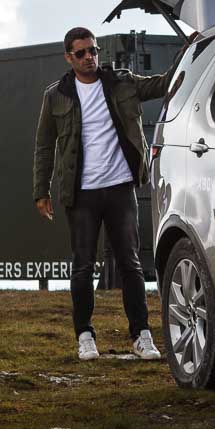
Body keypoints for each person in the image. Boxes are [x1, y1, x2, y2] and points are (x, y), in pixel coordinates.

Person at [33, 26, 168, 360]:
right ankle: (84, 336)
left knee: (131, 265)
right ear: (69, 57)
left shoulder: (120, 83)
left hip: (120, 187)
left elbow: (163, 84)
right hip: (81, 194)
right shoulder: (56, 96)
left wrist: (193, 52)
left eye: (93, 50)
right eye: (81, 53)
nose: (89, 57)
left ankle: (141, 335)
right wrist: (41, 191)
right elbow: (44, 146)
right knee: (82, 266)